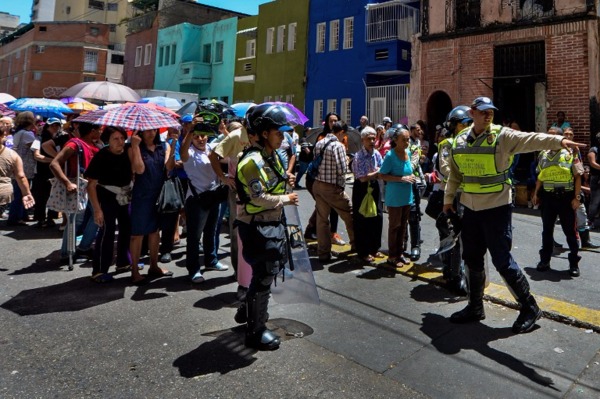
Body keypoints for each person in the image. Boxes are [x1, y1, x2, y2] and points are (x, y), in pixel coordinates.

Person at [443, 96, 584, 334]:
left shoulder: (502, 136)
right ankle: (475, 306)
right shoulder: (458, 141)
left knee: (502, 260)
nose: (488, 115)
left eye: (491, 112)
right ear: (472, 112)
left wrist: (559, 141)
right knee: (472, 258)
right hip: (471, 210)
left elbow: (531, 139)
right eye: (483, 111)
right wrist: (448, 201)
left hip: (496, 209)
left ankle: (530, 307)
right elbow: (455, 176)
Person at [234, 103, 299, 350]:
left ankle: (249, 311)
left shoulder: (272, 156)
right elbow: (257, 199)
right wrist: (285, 198)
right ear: (263, 133)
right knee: (263, 276)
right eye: (277, 132)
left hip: (272, 223)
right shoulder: (252, 162)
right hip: (257, 226)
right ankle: (255, 331)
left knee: (267, 273)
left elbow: (275, 184)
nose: (282, 137)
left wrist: (287, 180)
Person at [431, 105, 472, 293]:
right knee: (451, 235)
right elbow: (446, 169)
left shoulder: (472, 142)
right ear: (454, 125)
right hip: (451, 196)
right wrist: (466, 174)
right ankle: (453, 274)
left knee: (467, 237)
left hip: (469, 196)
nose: (469, 126)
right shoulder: (446, 144)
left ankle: (462, 272)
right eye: (465, 123)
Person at [532, 126, 583, 277]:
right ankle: (545, 261)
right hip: (548, 198)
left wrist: (576, 198)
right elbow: (540, 176)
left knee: (570, 233)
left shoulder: (570, 153)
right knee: (547, 231)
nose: (550, 138)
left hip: (566, 198)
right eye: (548, 135)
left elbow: (578, 177)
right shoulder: (543, 154)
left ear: (561, 138)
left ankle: (573, 263)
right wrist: (536, 193)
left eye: (554, 136)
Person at [128, 128, 176, 285]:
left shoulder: (164, 146)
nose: (151, 133)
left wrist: (174, 145)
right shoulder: (133, 147)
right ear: (140, 132)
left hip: (159, 193)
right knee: (137, 234)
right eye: (147, 130)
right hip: (142, 195)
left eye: (154, 130)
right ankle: (134, 270)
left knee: (155, 231)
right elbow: (139, 169)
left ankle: (153, 265)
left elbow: (169, 167)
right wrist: (135, 146)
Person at [181, 123, 228, 283]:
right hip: (196, 200)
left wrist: (223, 130)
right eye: (196, 136)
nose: (200, 139)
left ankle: (211, 261)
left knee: (211, 231)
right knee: (194, 237)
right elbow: (182, 152)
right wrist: (190, 130)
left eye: (203, 135)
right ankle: (193, 269)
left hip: (213, 196)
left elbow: (232, 148)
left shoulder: (211, 148)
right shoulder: (189, 152)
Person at [85, 127, 133, 283]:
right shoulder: (102, 156)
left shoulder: (128, 152)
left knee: (126, 228)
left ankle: (123, 263)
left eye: (122, 138)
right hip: (106, 198)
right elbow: (91, 185)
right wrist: (97, 210)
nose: (120, 142)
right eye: (115, 139)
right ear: (108, 141)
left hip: (125, 198)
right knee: (107, 231)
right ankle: (99, 270)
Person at [50, 122, 101, 264]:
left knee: (98, 217)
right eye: (99, 130)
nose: (101, 133)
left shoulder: (94, 145)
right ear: (92, 131)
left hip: (92, 187)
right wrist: (67, 183)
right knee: (75, 220)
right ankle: (66, 253)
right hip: (79, 186)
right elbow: (54, 163)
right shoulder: (75, 144)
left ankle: (84, 247)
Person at [313, 121, 355, 262]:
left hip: (318, 184)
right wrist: (347, 159)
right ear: (341, 132)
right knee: (349, 213)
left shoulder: (320, 142)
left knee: (322, 220)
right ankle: (356, 245)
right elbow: (342, 169)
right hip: (332, 187)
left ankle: (323, 252)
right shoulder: (338, 146)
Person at [379, 125, 415, 267]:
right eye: (404, 140)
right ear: (396, 140)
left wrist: (411, 176)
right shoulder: (390, 155)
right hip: (394, 197)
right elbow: (382, 175)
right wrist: (401, 179)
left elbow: (409, 171)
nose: (407, 143)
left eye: (408, 140)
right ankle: (392, 256)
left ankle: (400, 254)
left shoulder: (408, 153)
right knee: (394, 226)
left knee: (403, 226)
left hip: (407, 196)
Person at [351, 126, 384, 262]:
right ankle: (363, 251)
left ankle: (374, 248)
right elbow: (362, 177)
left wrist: (375, 174)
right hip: (362, 188)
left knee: (377, 217)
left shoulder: (376, 154)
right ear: (363, 140)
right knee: (362, 220)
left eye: (373, 138)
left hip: (374, 187)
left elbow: (382, 169)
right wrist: (376, 173)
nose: (372, 141)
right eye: (369, 139)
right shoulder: (358, 156)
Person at [31, 118, 62, 228]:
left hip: (54, 172)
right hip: (41, 172)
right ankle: (40, 219)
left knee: (54, 195)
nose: (55, 128)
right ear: (47, 126)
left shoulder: (59, 139)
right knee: (41, 196)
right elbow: (37, 156)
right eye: (52, 125)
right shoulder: (38, 139)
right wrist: (55, 160)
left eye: (57, 125)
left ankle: (50, 218)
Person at [8, 112, 37, 226]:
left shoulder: (18, 132)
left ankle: (21, 215)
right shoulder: (27, 134)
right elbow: (35, 148)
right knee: (22, 191)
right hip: (25, 165)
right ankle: (16, 217)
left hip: (17, 164)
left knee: (19, 191)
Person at [0, 123, 35, 215]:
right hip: (3, 194)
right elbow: (21, 176)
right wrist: (27, 193)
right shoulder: (13, 155)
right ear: (3, 135)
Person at [406, 123, 425, 261]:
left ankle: (415, 245)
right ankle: (402, 245)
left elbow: (414, 163)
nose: (420, 132)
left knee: (414, 215)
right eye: (417, 130)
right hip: (401, 184)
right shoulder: (405, 146)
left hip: (415, 181)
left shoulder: (417, 143)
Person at [587, 132, 600, 230]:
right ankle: (590, 221)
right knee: (595, 201)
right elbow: (592, 163)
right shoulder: (594, 149)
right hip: (597, 178)